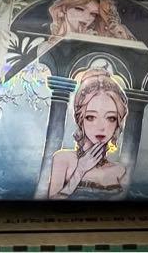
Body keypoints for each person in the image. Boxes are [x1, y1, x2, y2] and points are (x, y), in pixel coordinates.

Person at [46, 71, 129, 199]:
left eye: (110, 118)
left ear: (118, 122)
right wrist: (80, 170)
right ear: (81, 119)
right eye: (91, 117)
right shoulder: (63, 159)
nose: (101, 127)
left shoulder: (120, 170)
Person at [47, 0, 131, 41]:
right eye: (79, 9)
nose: (87, 17)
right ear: (65, 9)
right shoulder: (46, 46)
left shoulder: (95, 39)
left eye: (93, 14)